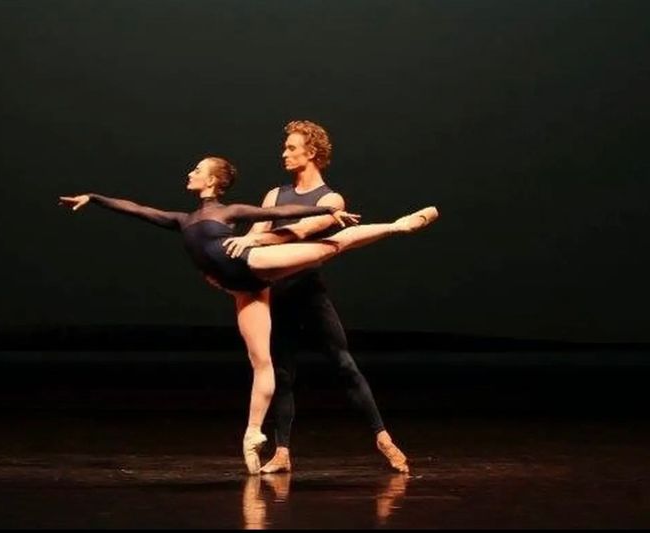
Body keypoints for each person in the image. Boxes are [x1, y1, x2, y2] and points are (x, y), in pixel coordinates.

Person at [59, 155, 437, 474]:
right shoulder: (182, 219)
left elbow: (279, 212)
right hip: (244, 288)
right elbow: (139, 210)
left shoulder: (228, 211)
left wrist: (326, 209)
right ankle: (254, 433)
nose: (190, 173)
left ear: (212, 181)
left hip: (252, 264)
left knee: (328, 248)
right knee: (262, 362)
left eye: (197, 170)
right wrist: (95, 198)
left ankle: (398, 225)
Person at [222, 120, 414, 474]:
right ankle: (282, 452)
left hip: (308, 293)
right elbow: (255, 233)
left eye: (291, 148)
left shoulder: (330, 200)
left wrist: (257, 240)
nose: (284, 153)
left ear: (311, 153)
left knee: (343, 364)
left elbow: (302, 230)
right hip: (276, 294)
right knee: (282, 373)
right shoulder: (274, 195)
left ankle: (382, 438)